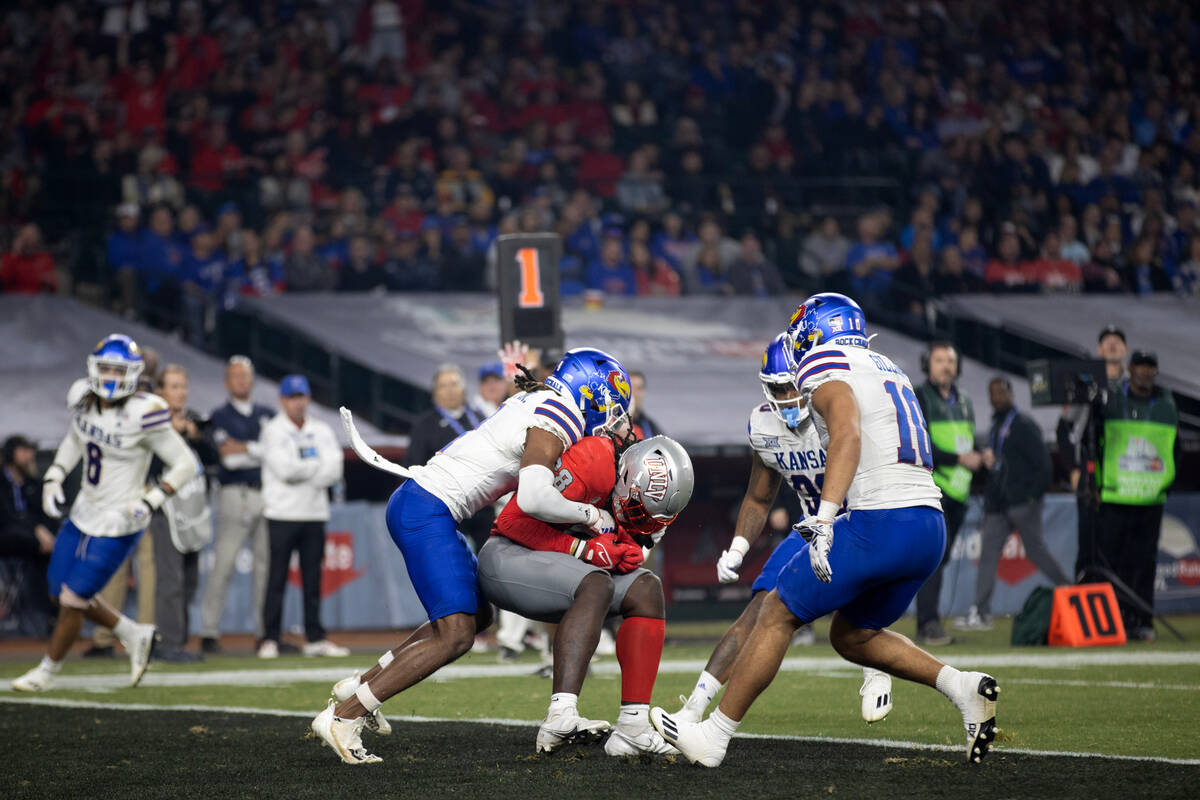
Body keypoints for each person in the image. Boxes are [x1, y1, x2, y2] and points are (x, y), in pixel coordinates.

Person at [650, 294, 1000, 767]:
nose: (797, 343)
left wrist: (824, 517)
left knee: (775, 612)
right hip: (928, 524)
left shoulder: (824, 361)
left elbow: (849, 434)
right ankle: (961, 688)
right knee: (853, 635)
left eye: (801, 330)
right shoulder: (888, 365)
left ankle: (713, 736)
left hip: (878, 518)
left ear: (817, 329)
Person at [312, 348, 634, 764]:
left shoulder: (536, 399)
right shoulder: (559, 413)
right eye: (609, 406)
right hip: (428, 508)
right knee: (458, 633)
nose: (610, 418)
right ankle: (345, 716)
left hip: (425, 503)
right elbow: (535, 497)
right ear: (589, 391)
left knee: (477, 617)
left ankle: (361, 686)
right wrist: (593, 515)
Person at [672, 334, 893, 728]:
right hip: (809, 527)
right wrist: (737, 549)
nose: (790, 397)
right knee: (757, 610)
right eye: (779, 388)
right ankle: (692, 709)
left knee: (855, 610)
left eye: (794, 386)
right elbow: (758, 498)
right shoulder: (763, 426)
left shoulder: (838, 410)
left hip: (857, 520)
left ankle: (876, 668)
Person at [479, 435, 694, 756]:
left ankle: (633, 727)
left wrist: (620, 549)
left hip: (568, 572)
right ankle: (560, 715)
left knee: (647, 589)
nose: (643, 522)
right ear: (625, 477)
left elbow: (630, 546)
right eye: (639, 511)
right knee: (597, 583)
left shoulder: (649, 498)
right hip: (509, 557)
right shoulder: (593, 462)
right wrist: (581, 548)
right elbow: (511, 522)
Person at [11, 335, 199, 692]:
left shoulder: (145, 411)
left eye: (119, 369)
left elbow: (186, 464)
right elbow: (74, 440)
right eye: (107, 368)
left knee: (73, 599)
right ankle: (132, 632)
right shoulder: (83, 398)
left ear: (133, 373)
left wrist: (152, 500)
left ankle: (47, 671)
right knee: (57, 591)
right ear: (94, 369)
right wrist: (53, 476)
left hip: (121, 519)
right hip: (84, 509)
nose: (111, 377)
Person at [957, 377, 1070, 630]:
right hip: (998, 504)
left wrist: (1031, 497)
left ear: (1011, 394)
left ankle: (1071, 592)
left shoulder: (1023, 425)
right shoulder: (996, 425)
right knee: (987, 554)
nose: (996, 397)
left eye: (1001, 392)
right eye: (992, 393)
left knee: (1035, 550)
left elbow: (1044, 465)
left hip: (1021, 503)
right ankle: (981, 612)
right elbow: (1003, 463)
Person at [258, 375, 348, 658]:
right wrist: (315, 467)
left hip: (314, 513)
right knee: (276, 579)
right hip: (282, 513)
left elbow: (335, 470)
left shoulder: (321, 430)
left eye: (302, 397)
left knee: (312, 580)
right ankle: (269, 638)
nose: (298, 403)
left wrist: (304, 468)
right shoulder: (272, 430)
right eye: (292, 397)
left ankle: (315, 637)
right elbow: (285, 470)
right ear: (282, 400)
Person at [1095, 351, 1178, 640]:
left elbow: (1174, 449)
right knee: (1112, 565)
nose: (1144, 372)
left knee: (1144, 565)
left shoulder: (1168, 405)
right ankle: (1112, 622)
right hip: (1116, 497)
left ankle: (1142, 623)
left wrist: (1165, 482)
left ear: (1155, 371)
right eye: (1140, 366)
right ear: (1130, 369)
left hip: (1149, 499)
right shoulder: (1112, 401)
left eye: (1150, 367)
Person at [199, 356, 275, 654]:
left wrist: (248, 449)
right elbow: (228, 458)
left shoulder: (268, 413)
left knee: (264, 567)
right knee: (224, 563)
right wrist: (260, 451)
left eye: (246, 375)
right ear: (227, 382)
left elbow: (276, 453)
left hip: (266, 493)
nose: (242, 381)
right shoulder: (219, 415)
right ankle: (209, 631)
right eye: (236, 376)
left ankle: (263, 633)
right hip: (234, 493)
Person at [913, 342, 985, 645]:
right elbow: (920, 442)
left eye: (950, 360)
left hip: (958, 491)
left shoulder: (965, 400)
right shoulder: (919, 396)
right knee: (932, 559)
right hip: (933, 489)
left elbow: (963, 442)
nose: (945, 366)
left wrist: (981, 456)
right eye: (939, 360)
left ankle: (929, 624)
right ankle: (928, 624)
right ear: (927, 364)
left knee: (939, 562)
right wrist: (960, 459)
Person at [151, 365, 218, 662]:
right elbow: (148, 466)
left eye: (183, 386)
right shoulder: (152, 423)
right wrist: (173, 436)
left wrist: (197, 437)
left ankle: (178, 640)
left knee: (189, 581)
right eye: (174, 386)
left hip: (193, 509)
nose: (180, 392)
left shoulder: (193, 421)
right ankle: (168, 643)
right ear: (160, 391)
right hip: (165, 509)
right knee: (170, 580)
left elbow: (216, 460)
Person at [1057, 324, 1127, 579]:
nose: (1111, 344)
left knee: (1117, 541)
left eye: (1117, 340)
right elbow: (1063, 429)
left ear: (1125, 349)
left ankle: (1116, 601)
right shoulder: (1085, 385)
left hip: (1123, 473)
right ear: (1099, 349)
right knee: (1087, 540)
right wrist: (1074, 469)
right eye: (1106, 340)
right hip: (1089, 472)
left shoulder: (1131, 387)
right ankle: (1085, 598)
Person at [405, 364, 491, 548]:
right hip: (446, 506)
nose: (450, 390)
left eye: (454, 384)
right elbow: (413, 465)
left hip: (483, 504)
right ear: (434, 392)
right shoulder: (424, 424)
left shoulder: (479, 417)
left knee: (488, 560)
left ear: (464, 389)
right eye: (443, 386)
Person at [1, 435, 57, 625]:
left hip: (36, 544)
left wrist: (45, 533)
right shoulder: (1, 483)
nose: (30, 456)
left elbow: (46, 514)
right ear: (10, 454)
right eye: (24, 451)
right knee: (28, 540)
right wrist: (36, 529)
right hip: (7, 537)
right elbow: (7, 517)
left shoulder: (33, 484)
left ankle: (52, 613)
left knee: (55, 552)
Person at [627, 370, 662, 438]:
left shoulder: (650, 427)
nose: (635, 393)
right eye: (630, 388)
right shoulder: (608, 424)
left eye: (639, 388)